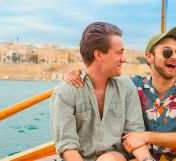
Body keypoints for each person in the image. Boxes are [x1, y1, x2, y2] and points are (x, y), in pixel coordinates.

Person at [65, 26, 176, 161]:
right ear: (149, 57)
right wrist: (78, 72)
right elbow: (100, 72)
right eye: (167, 52)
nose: (174, 57)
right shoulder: (133, 85)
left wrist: (146, 136)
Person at [51, 22, 153, 161]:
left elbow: (134, 134)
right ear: (98, 55)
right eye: (119, 52)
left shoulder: (126, 86)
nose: (123, 59)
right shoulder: (64, 92)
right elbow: (67, 146)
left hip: (115, 157)